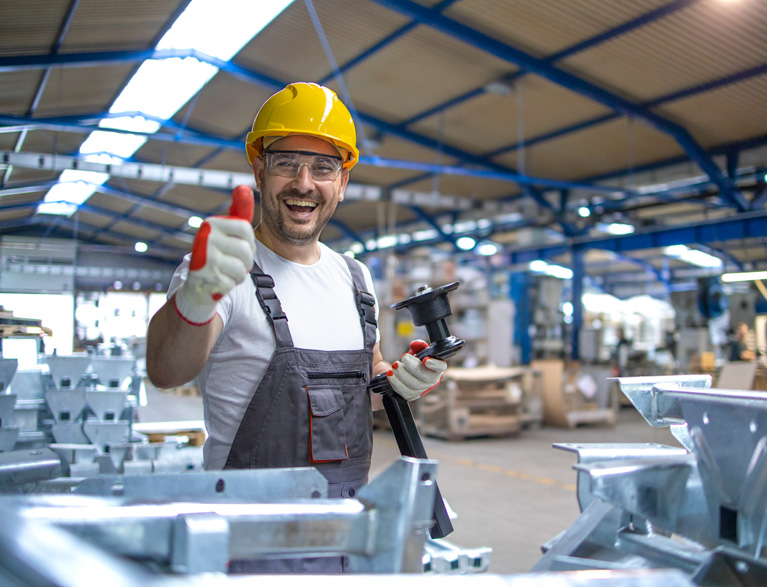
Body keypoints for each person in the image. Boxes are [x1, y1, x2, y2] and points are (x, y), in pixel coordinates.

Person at [145, 82, 447, 573]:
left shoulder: (354, 276)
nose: (304, 182)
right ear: (259, 170)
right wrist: (198, 296)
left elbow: (362, 386)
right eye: (287, 162)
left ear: (342, 182)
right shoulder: (222, 270)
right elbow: (164, 370)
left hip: (344, 533)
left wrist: (401, 382)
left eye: (324, 168)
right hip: (245, 543)